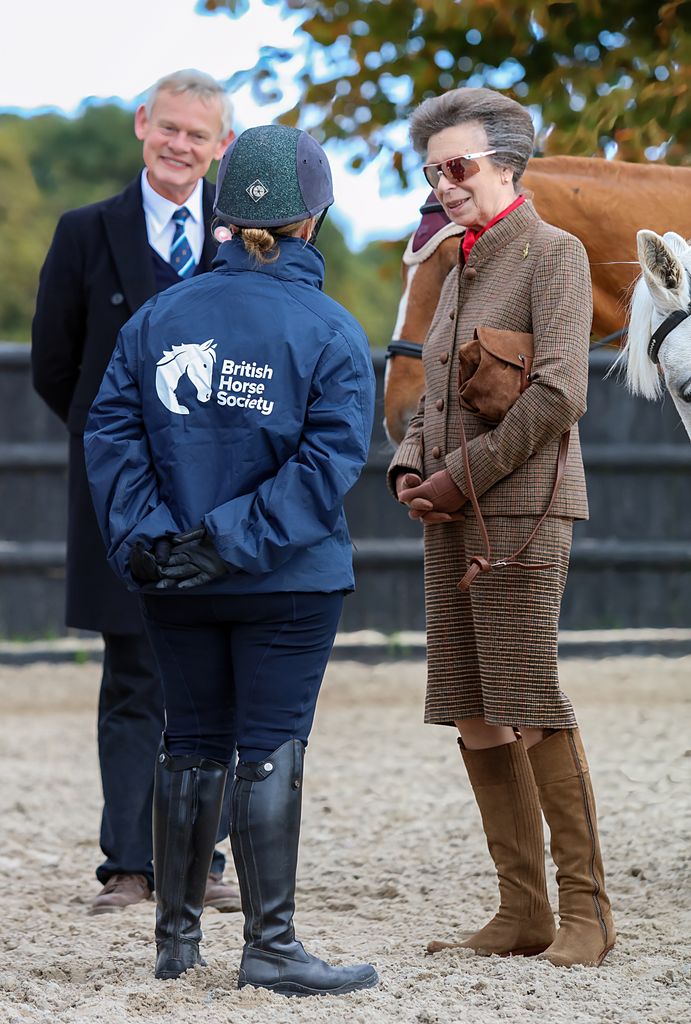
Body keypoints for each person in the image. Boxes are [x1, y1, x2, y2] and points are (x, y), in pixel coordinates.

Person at [83, 124, 379, 995]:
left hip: (173, 578)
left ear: (221, 206)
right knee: (268, 745)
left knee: (192, 741)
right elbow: (327, 465)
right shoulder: (329, 329)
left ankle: (177, 942)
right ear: (312, 216)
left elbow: (110, 433)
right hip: (286, 580)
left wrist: (156, 542)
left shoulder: (157, 318)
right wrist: (229, 541)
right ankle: (270, 944)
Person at [388, 88, 615, 968]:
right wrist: (412, 465)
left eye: (458, 167)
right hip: (447, 512)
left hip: (519, 513)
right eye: (432, 171)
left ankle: (588, 914)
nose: (444, 186)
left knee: (525, 700)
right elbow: (436, 392)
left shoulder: (552, 254)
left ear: (507, 165)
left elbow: (560, 393)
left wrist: (458, 478)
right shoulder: (456, 262)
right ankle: (523, 911)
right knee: (471, 710)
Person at [31, 69, 239, 914]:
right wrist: (117, 451)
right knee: (130, 674)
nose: (180, 146)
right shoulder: (85, 233)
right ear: (141, 125)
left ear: (221, 146)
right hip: (119, 492)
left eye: (199, 135)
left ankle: (206, 863)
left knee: (213, 675)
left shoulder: (246, 235)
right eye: (169, 129)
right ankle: (127, 865)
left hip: (221, 489)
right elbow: (55, 366)